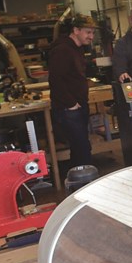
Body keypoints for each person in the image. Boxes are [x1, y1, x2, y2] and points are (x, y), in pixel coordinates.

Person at [48, 14, 96, 170]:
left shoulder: (77, 49)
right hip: (69, 108)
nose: (91, 36)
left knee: (80, 148)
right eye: (88, 32)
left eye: (92, 33)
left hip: (78, 105)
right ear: (76, 30)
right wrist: (71, 104)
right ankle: (85, 184)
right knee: (82, 149)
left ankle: (79, 181)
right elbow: (56, 81)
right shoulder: (63, 50)